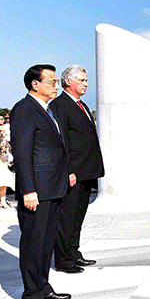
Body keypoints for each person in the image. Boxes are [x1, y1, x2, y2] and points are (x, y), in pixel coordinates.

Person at [11, 64, 72, 299]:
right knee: (34, 242)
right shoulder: (24, 109)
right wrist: (28, 189)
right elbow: (22, 152)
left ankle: (43, 286)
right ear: (35, 84)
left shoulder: (47, 110)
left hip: (53, 187)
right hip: (37, 189)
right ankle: (32, 295)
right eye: (52, 82)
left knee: (46, 242)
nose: (56, 86)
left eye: (57, 82)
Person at [50, 65, 104, 273]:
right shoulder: (60, 105)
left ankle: (73, 252)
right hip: (73, 172)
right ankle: (63, 260)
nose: (86, 84)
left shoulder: (81, 105)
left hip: (86, 170)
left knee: (77, 217)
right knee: (67, 217)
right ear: (68, 82)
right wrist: (68, 170)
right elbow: (62, 141)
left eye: (86, 80)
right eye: (81, 80)